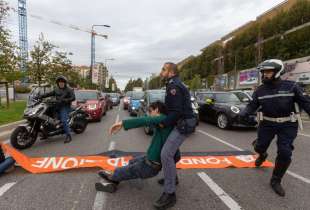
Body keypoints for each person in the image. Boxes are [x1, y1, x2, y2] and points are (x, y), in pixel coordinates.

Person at [240, 59, 310, 197]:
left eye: (268, 72)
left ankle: (276, 180)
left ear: (278, 72)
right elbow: (252, 105)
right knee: (259, 146)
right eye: (263, 72)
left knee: (285, 152)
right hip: (267, 123)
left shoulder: (292, 86)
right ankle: (262, 153)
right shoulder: (260, 90)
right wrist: (244, 113)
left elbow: (306, 103)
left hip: (288, 124)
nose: (265, 74)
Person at [95, 101, 180, 194]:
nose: (149, 114)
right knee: (132, 161)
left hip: (150, 166)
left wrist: (122, 123)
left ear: (157, 110)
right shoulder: (166, 122)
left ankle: (114, 177)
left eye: (150, 111)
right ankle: (118, 176)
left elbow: (145, 120)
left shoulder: (162, 119)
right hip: (149, 159)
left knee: (131, 170)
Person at [154, 62, 196, 209]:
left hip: (183, 124)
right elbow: (172, 107)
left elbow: (176, 111)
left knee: (165, 154)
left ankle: (170, 193)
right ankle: (173, 178)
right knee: (171, 150)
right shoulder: (174, 83)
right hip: (181, 122)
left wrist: (163, 123)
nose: (161, 72)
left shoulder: (174, 86)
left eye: (163, 69)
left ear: (171, 72)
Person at [38, 76, 75, 143]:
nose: (61, 83)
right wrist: (41, 96)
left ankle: (68, 135)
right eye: (59, 82)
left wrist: (64, 100)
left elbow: (73, 98)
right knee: (46, 116)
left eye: (62, 82)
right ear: (58, 83)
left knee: (63, 120)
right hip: (57, 105)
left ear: (65, 83)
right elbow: (49, 94)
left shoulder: (69, 89)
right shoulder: (56, 89)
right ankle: (46, 132)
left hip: (65, 106)